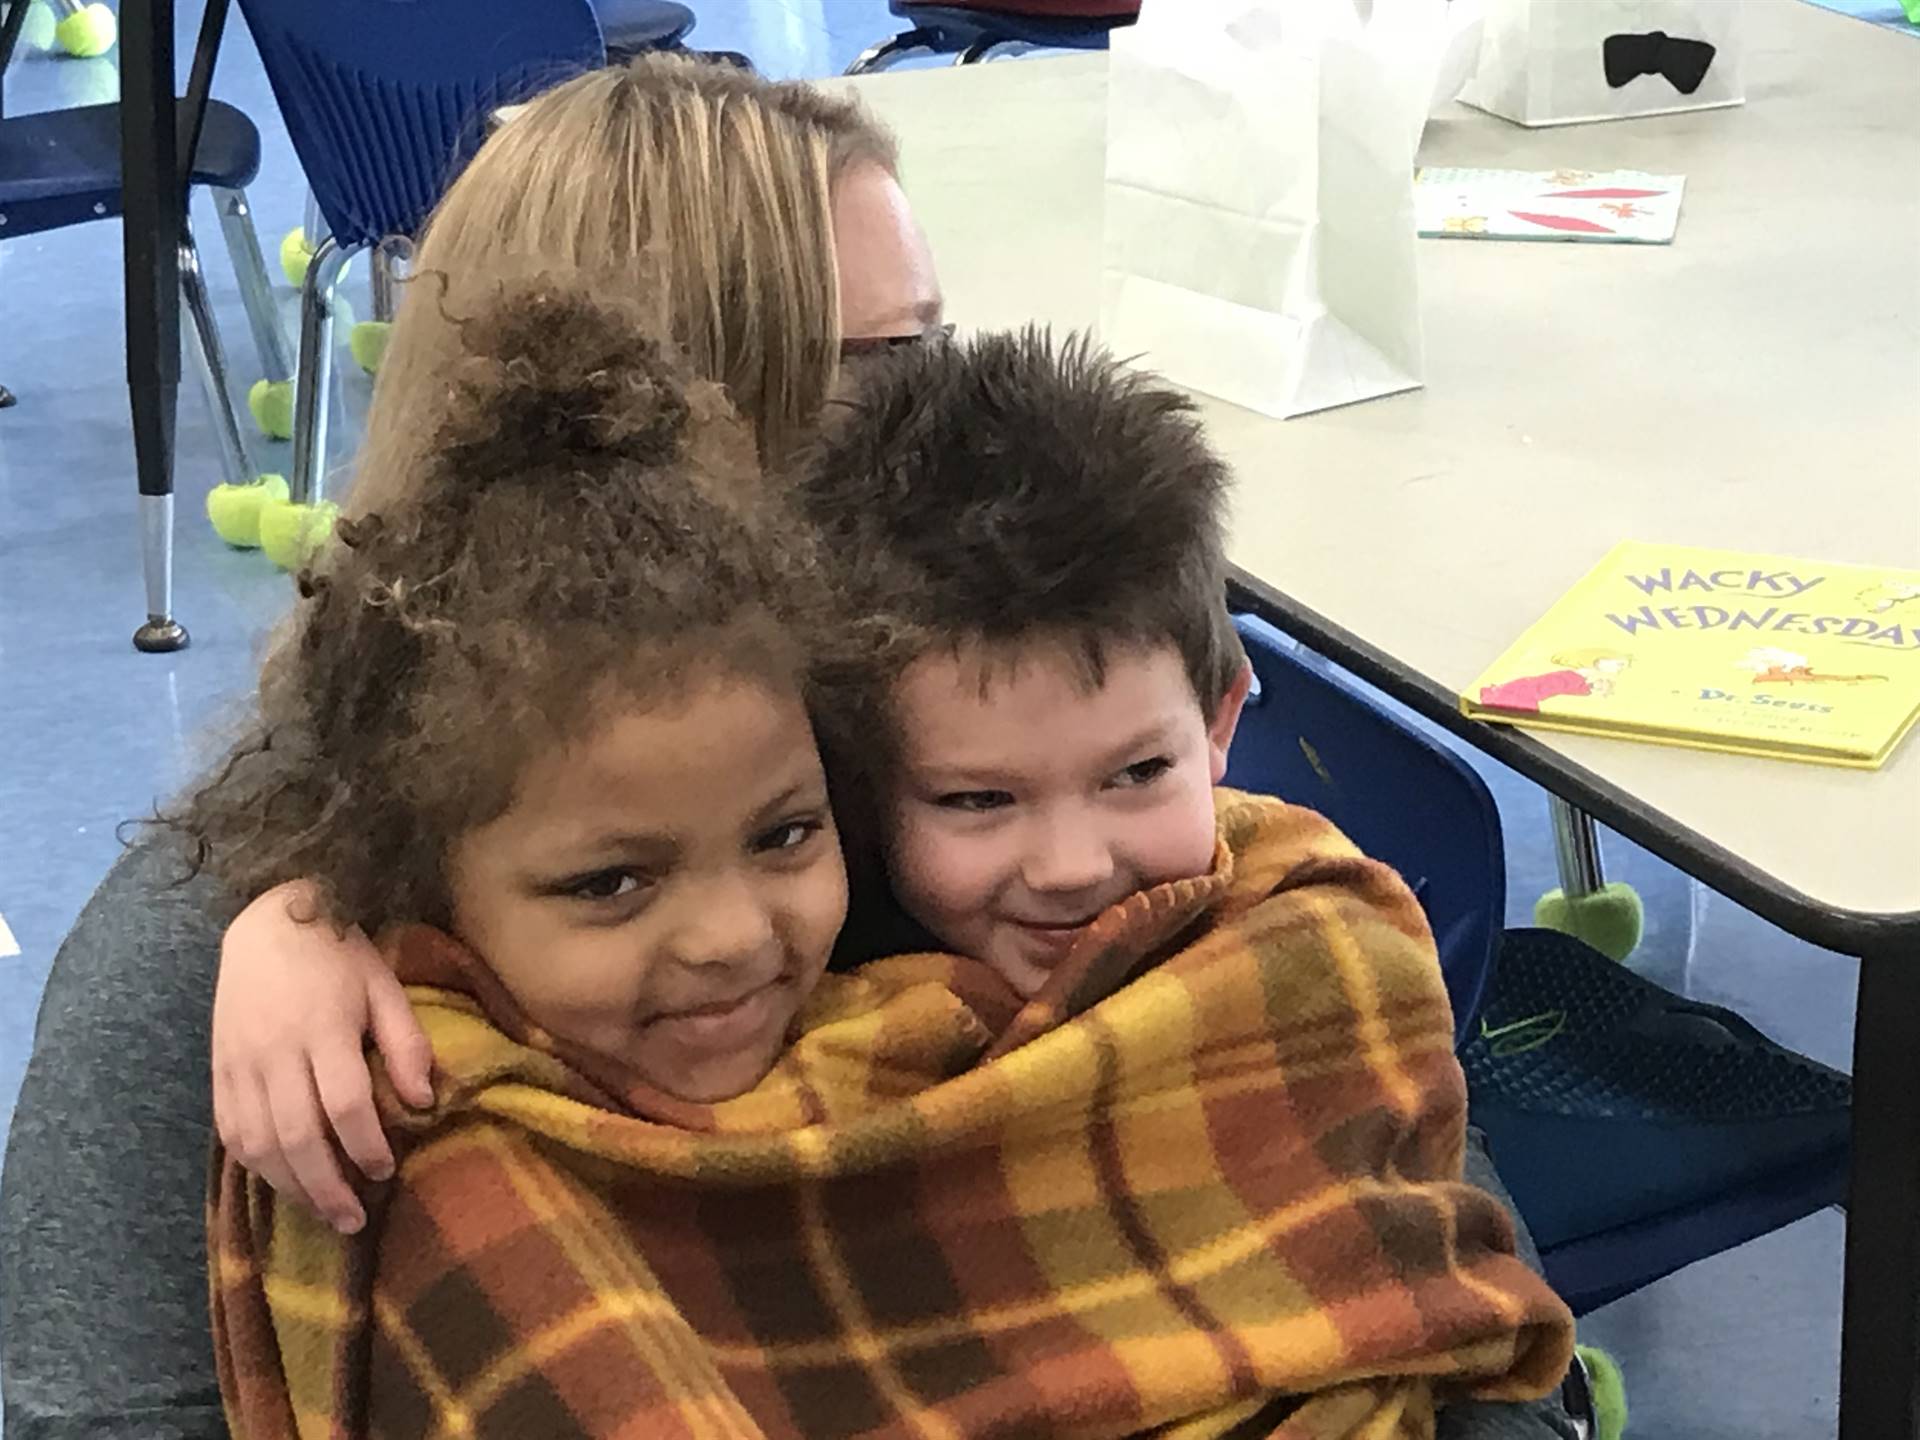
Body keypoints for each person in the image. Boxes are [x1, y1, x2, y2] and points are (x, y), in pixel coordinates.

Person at [206, 301, 1575, 1437]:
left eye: (1138, 775)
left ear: (1224, 728)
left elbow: (1436, 1293)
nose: (1074, 863)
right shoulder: (486, 1096)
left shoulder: (1295, 941)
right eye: (977, 798)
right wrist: (295, 915)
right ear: (861, 786)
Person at [0, 53, 939, 1440]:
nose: (940, 448)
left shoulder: (920, 772)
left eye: (934, 352)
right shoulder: (209, 951)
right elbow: (109, 1405)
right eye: (870, 389)